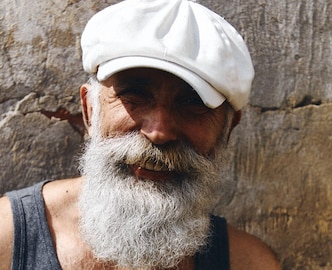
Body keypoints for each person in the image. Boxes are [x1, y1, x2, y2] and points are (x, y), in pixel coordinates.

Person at [0, 0, 281, 269]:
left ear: (227, 129)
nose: (158, 132)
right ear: (90, 111)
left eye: (192, 103)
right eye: (134, 95)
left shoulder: (249, 262)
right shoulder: (7, 239)